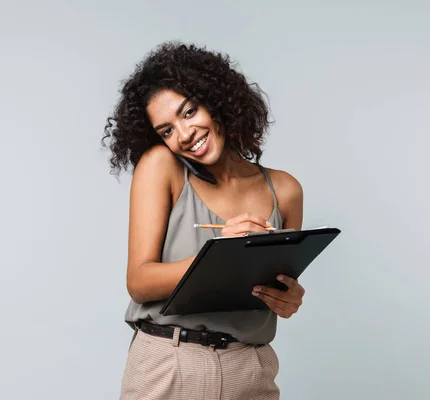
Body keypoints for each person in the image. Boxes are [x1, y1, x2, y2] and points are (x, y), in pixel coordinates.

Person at [101, 41, 306, 400]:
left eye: (190, 112)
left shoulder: (284, 190)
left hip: (250, 369)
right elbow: (139, 280)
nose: (183, 134)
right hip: (169, 363)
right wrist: (223, 256)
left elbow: (275, 289)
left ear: (218, 102)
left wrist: (289, 299)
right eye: (166, 130)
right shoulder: (161, 167)